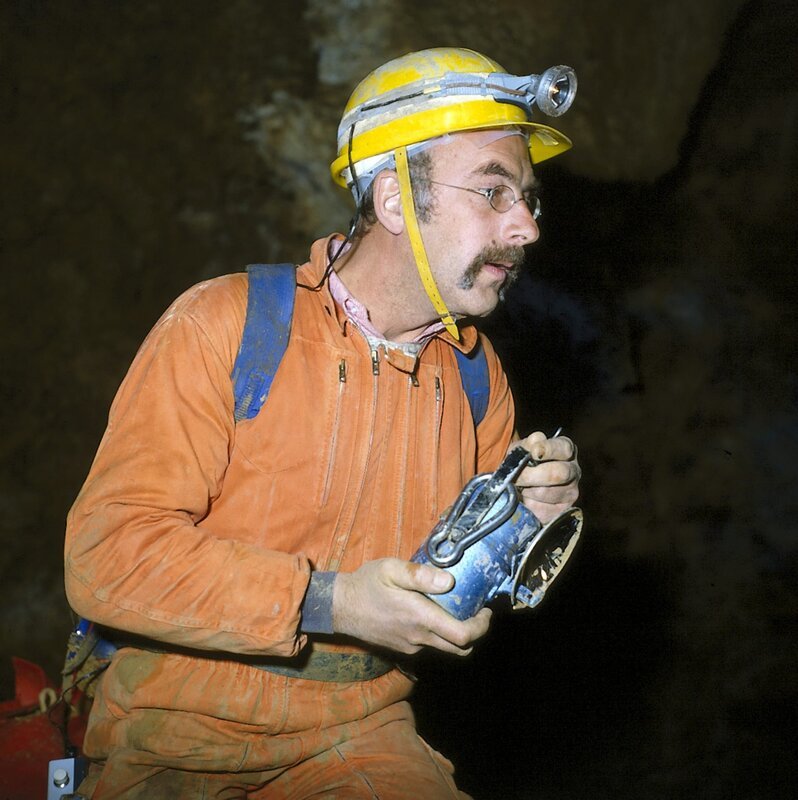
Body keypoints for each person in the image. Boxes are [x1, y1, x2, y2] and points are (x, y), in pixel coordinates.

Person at [64, 47, 581, 799]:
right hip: (174, 729)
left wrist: (522, 526)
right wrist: (329, 601)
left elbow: (449, 588)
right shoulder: (227, 326)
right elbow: (106, 557)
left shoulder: (475, 377)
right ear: (397, 199)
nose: (525, 227)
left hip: (356, 733)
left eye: (528, 199)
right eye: (494, 192)